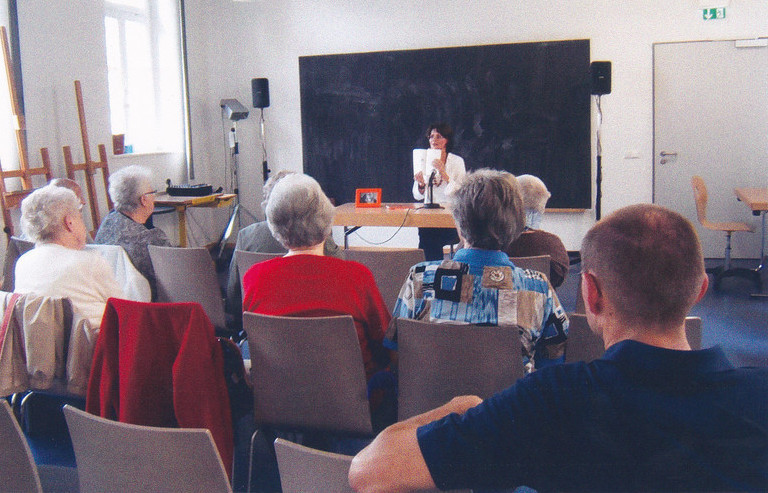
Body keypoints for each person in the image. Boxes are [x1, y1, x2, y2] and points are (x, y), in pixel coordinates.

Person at [349, 204, 768, 493]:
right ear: (700, 290)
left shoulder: (551, 402)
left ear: (591, 293)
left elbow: (369, 470)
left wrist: (458, 407)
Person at [391, 169, 568, 373]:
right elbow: (553, 362)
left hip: (431, 393)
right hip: (511, 394)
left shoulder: (420, 278)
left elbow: (396, 353)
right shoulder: (539, 288)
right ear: (516, 226)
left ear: (459, 223)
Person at [242, 173, 392, 384]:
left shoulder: (254, 278)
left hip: (279, 398)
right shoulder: (357, 277)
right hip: (352, 398)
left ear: (274, 224)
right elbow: (385, 344)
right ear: (326, 221)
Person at [225, 170, 341, 317]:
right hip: (323, 322)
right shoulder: (320, 240)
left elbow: (233, 298)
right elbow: (341, 279)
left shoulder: (245, 237)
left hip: (262, 324)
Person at [14, 184, 124, 330]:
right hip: (93, 342)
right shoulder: (90, 262)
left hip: (42, 343)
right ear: (69, 222)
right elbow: (124, 310)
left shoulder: (23, 263)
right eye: (80, 217)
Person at [94, 165, 171, 298]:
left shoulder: (107, 223)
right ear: (144, 200)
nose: (154, 197)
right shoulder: (152, 239)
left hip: (111, 299)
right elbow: (172, 278)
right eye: (152, 192)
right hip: (147, 304)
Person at [505, 174, 570, 287]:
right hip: (542, 298)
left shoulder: (496, 244)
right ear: (542, 206)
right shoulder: (553, 246)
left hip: (499, 297)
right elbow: (558, 280)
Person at [412, 123, 466, 261]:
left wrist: (444, 173)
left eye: (439, 136)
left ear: (447, 140)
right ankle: (431, 268)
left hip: (450, 217)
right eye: (431, 136)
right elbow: (417, 195)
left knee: (430, 240)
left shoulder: (457, 161)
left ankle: (432, 268)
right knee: (427, 238)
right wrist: (421, 184)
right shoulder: (423, 158)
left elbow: (461, 193)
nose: (434, 140)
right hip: (429, 217)